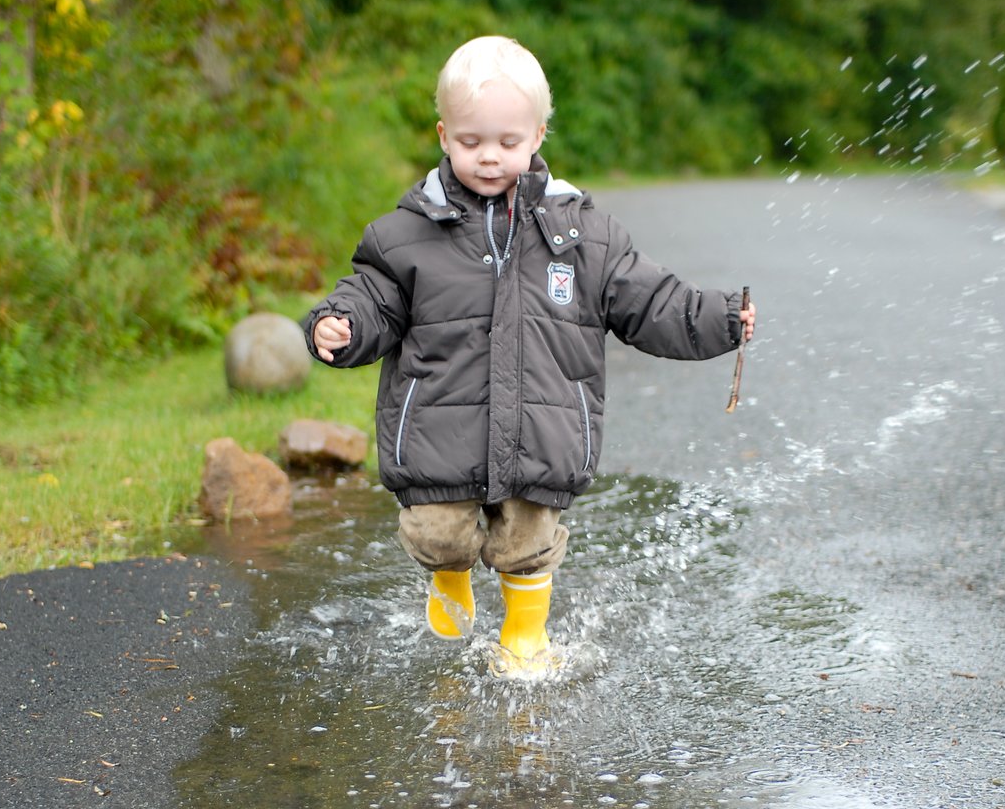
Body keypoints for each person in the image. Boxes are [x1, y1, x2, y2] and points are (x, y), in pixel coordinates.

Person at [304, 35, 755, 673]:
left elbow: (648, 299)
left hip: (542, 430)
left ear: (539, 135)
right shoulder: (403, 236)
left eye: (508, 143)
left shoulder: (581, 235)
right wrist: (338, 323)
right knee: (437, 531)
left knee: (527, 537)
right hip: (438, 424)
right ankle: (449, 579)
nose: (489, 157)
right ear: (443, 135)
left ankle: (523, 635)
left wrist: (718, 318)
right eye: (471, 142)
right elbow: (372, 297)